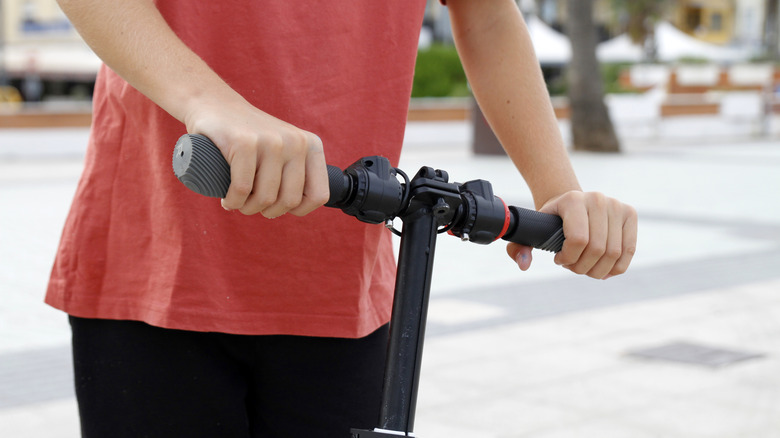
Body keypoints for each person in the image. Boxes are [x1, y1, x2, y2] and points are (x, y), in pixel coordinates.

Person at [47, 1, 637, 437]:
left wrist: (558, 188)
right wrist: (212, 102)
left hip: (340, 280)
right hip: (155, 256)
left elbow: (484, 14)